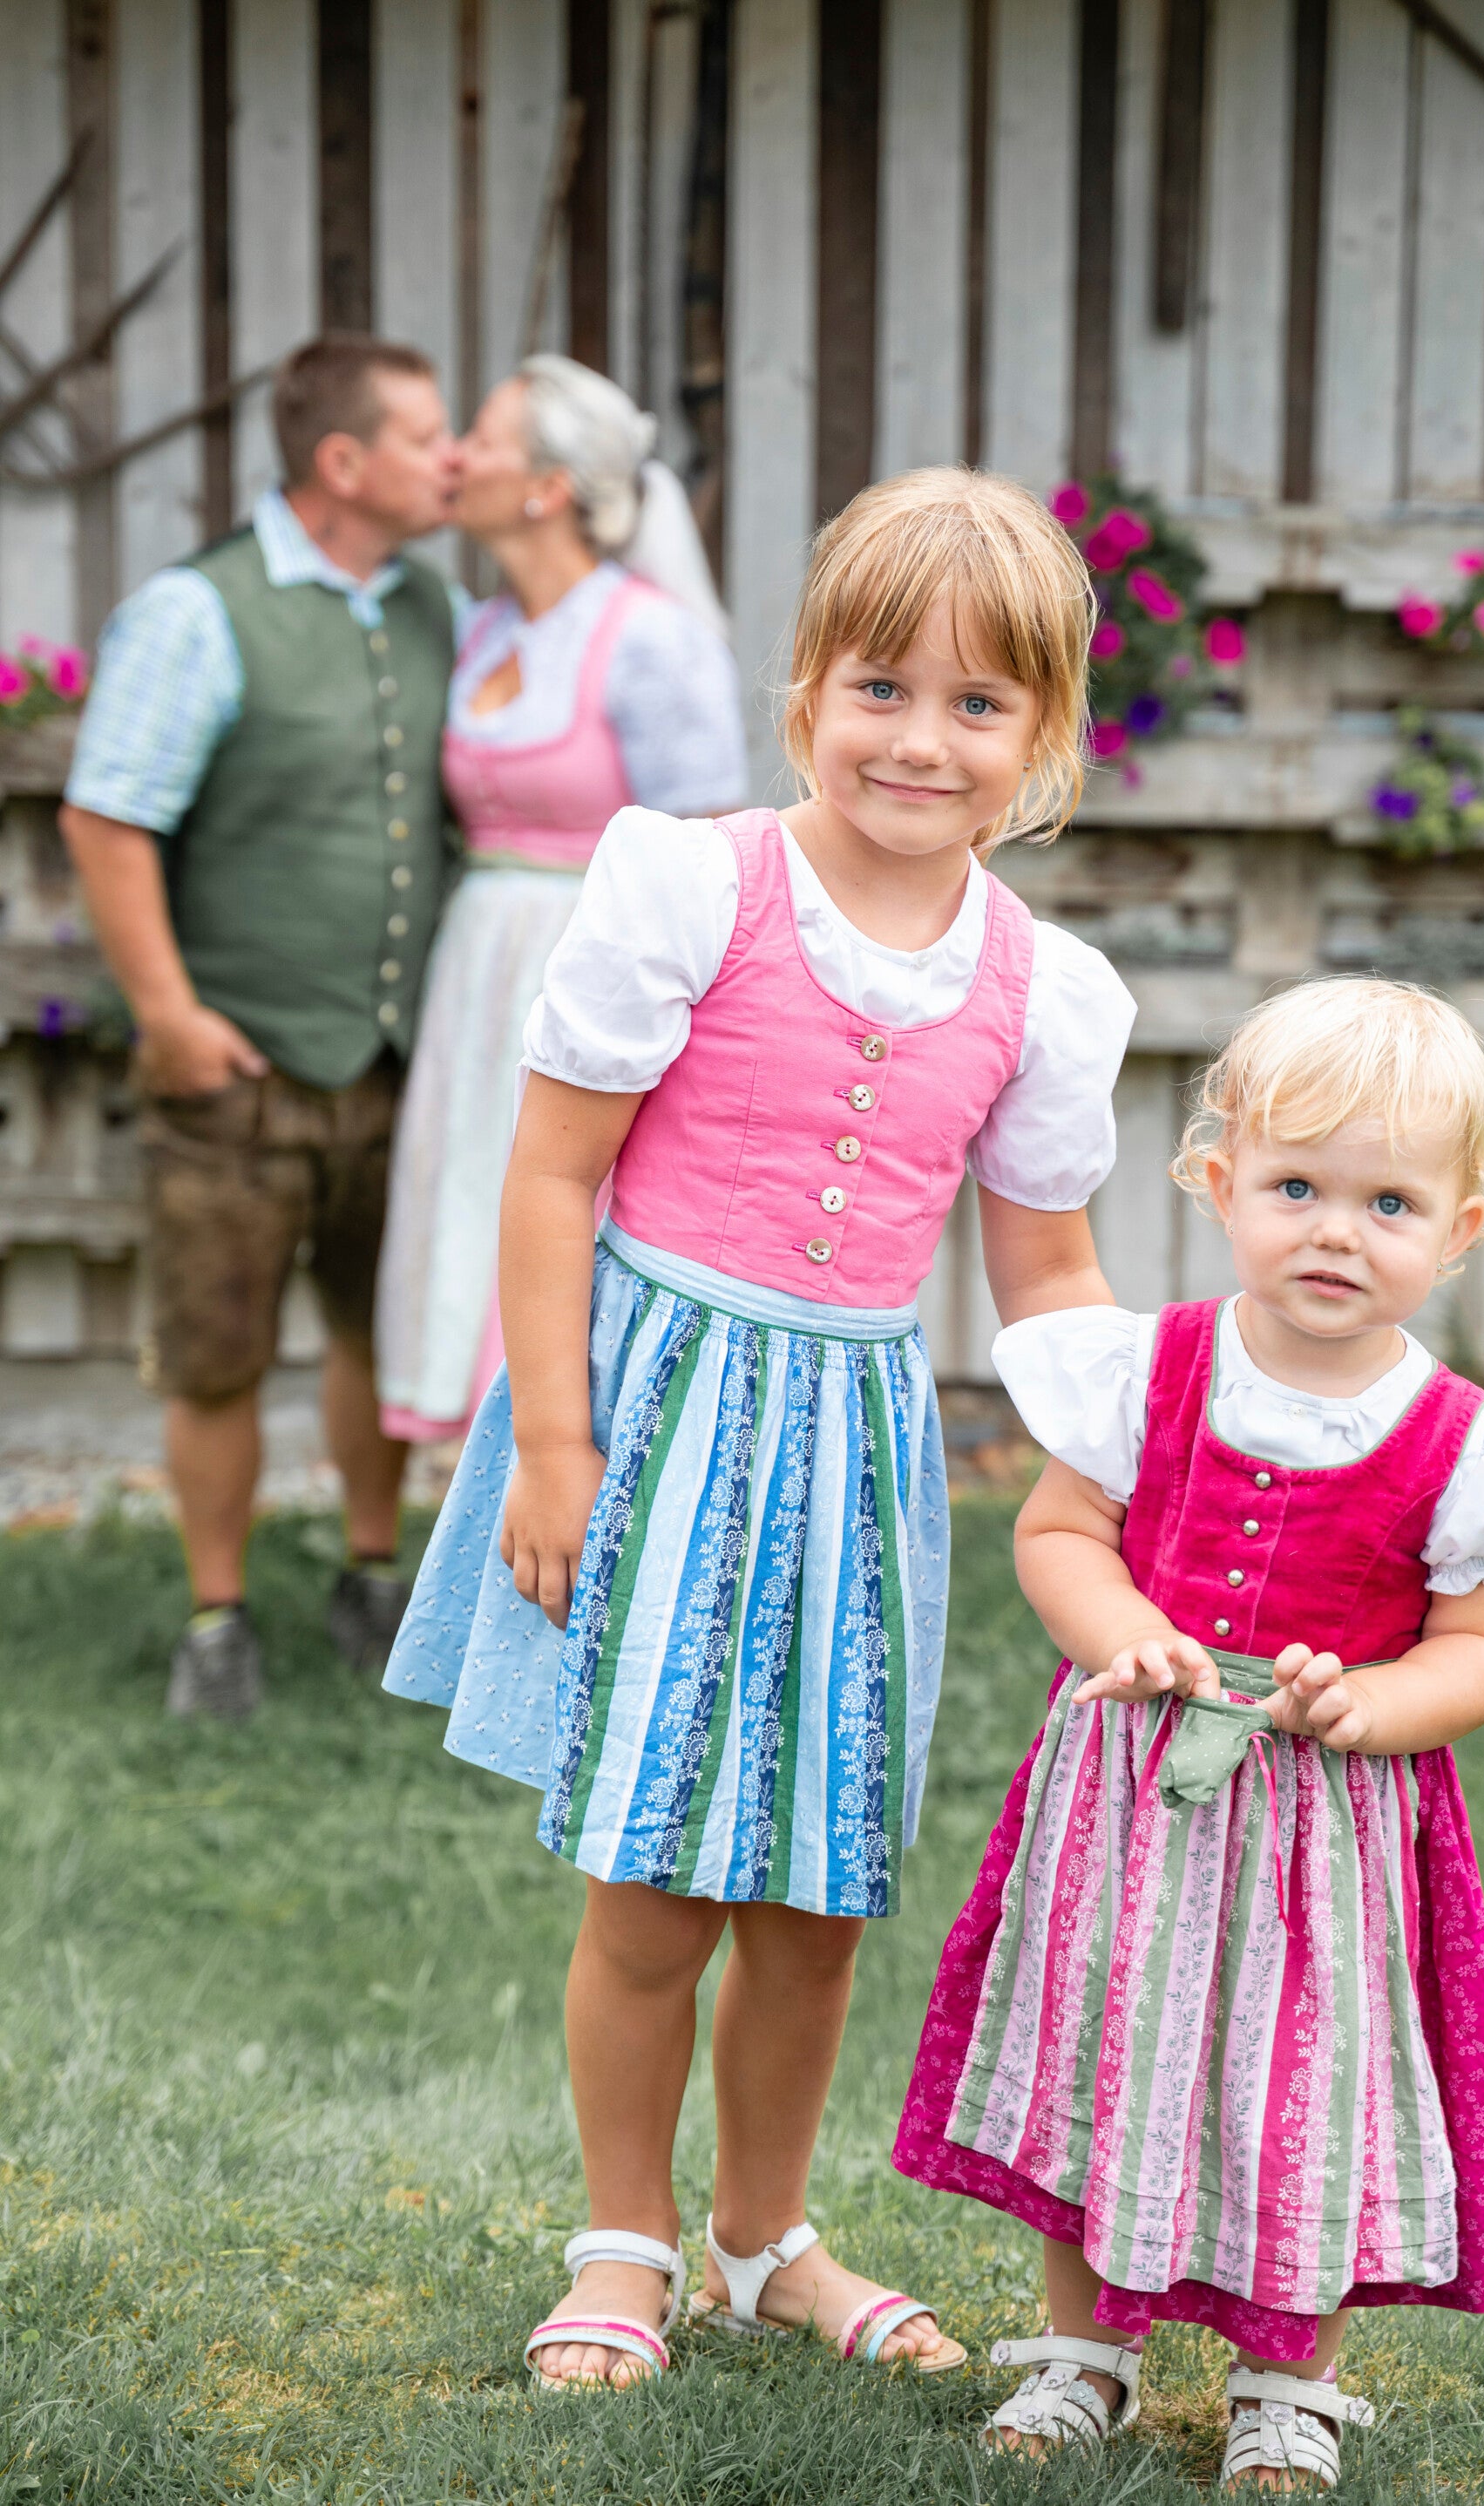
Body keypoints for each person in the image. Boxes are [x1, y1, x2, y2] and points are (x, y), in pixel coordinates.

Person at [383, 469, 1137, 2390]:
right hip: (652, 1419)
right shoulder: (685, 885)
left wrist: (1135, 1467)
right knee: (651, 1883)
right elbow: (551, 1177)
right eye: (880, 686)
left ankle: (759, 2240)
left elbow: (1046, 1270)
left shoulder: (1042, 988)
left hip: (855, 1452)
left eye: (975, 703)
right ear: (806, 691)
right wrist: (553, 1445)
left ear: (1041, 736)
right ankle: (621, 2240)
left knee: (813, 1899)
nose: (918, 739)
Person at [893, 978, 1484, 2487]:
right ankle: (1082, 2351)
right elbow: (1057, 1535)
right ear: (1218, 1184)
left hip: (1318, 1833)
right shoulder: (1143, 1372)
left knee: (1305, 2086)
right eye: (1294, 1187)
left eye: (1387, 1203)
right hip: (1131, 1800)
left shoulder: (1459, 1448)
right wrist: (1119, 1630)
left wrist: (1373, 1702)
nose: (1334, 1232)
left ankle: (1287, 2379)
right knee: (1105, 2049)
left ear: (1459, 1229)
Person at [59, 334, 461, 1720]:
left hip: (394, 1061)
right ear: (342, 463)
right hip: (236, 1061)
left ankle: (370, 1572)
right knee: (217, 1348)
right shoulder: (197, 611)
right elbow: (106, 819)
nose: (451, 459)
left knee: (375, 1329)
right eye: (424, 436)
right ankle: (216, 1616)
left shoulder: (430, 605)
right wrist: (170, 1017)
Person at [375, 356, 746, 1444]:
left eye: (482, 439)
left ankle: (563, 1442)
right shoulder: (484, 630)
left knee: (562, 1188)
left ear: (547, 486)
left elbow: (706, 843)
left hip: (596, 960)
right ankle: (472, 1454)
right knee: (468, 1184)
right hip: (477, 969)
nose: (456, 456)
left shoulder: (649, 638)